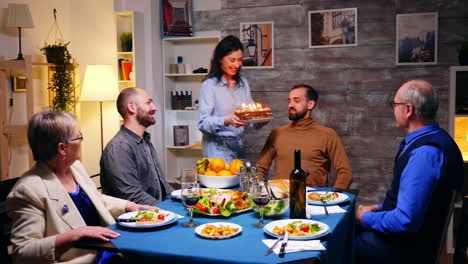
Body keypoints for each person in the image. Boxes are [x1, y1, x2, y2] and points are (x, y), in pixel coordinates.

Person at [7, 110, 153, 264]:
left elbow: (94, 199)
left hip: (107, 251)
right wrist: (74, 235)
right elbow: (22, 252)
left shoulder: (75, 168)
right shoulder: (29, 190)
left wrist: (129, 206)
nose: (82, 141)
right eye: (79, 137)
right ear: (62, 148)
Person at [355, 80, 464, 264]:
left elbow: (405, 222)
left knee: (338, 242)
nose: (393, 110)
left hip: (408, 250)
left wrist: (366, 218)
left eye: (394, 105)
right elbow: (419, 201)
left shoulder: (424, 153)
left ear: (408, 110)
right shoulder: (437, 139)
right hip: (415, 241)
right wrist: (380, 208)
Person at [256, 84, 353, 189]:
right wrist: (260, 191)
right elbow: (260, 168)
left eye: (296, 101)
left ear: (310, 104)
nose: (290, 105)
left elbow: (345, 173)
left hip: (312, 201)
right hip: (280, 200)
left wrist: (334, 197)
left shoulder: (327, 135)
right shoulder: (277, 133)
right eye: (289, 101)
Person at [198, 35, 268, 163]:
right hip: (217, 149)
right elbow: (203, 124)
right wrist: (226, 120)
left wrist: (261, 120)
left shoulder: (243, 84)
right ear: (220, 59)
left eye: (240, 60)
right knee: (221, 182)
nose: (237, 64)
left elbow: (252, 119)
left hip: (238, 146)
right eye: (232, 60)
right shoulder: (209, 85)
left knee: (238, 183)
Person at [100, 87, 174, 206]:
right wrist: (169, 211)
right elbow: (132, 196)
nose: (154, 108)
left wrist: (183, 198)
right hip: (138, 220)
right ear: (131, 107)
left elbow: (162, 186)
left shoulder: (145, 140)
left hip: (157, 213)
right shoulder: (119, 148)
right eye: (148, 103)